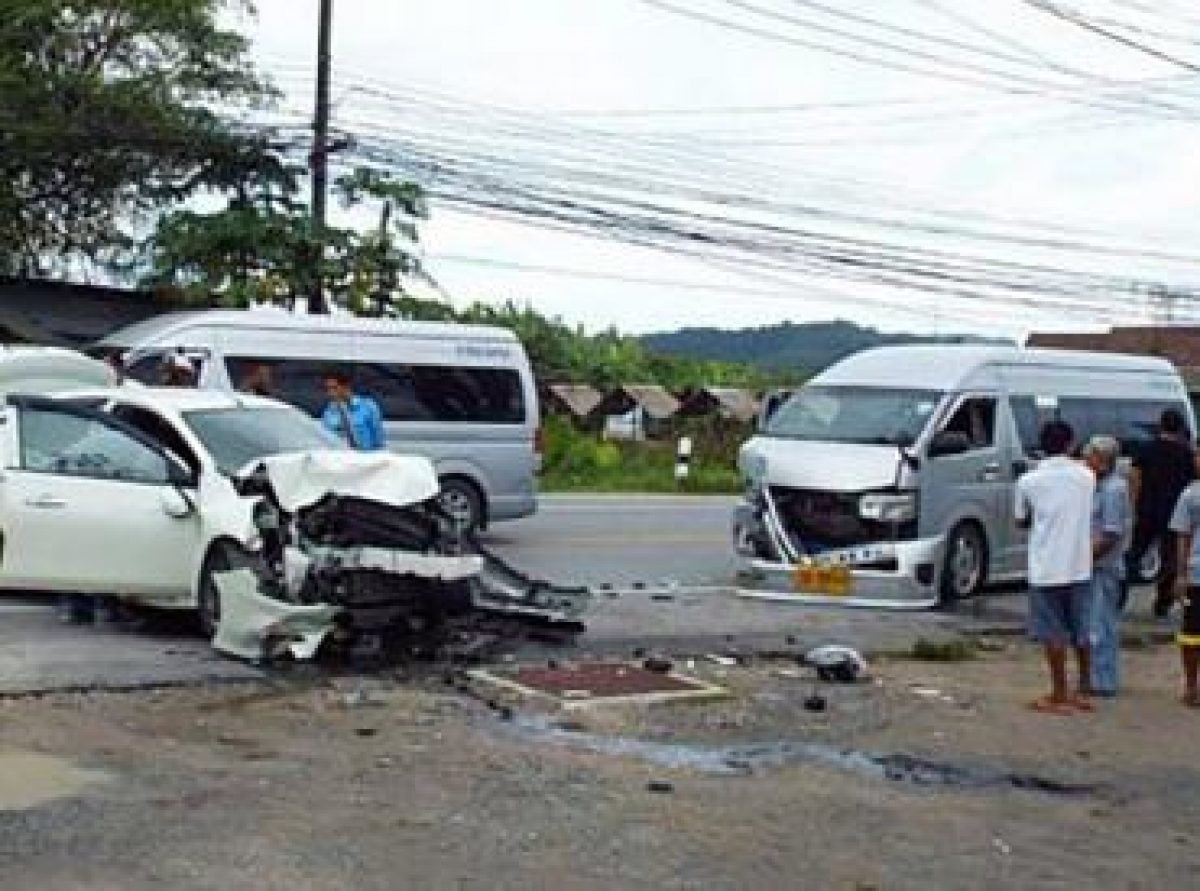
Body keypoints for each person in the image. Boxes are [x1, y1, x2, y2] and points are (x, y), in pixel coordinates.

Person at [1015, 419, 1096, 715]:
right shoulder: (1086, 476)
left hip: (1046, 565)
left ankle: (1059, 692)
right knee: (1081, 630)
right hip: (1079, 563)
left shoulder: (1028, 481)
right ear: (1070, 443)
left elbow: (1021, 519)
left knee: (1053, 633)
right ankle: (1084, 687)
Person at [1128, 408, 1195, 617]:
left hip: (1147, 509)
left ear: (1161, 425)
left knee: (1135, 552)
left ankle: (1119, 590)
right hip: (1174, 512)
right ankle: (1162, 602)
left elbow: (1135, 477)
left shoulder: (1146, 448)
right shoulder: (1186, 453)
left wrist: (1135, 504)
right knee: (1169, 560)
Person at [1084, 435, 1131, 697]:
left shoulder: (1113, 489)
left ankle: (1102, 680)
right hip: (1097, 563)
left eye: (1089, 456)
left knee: (1100, 623)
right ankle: (1094, 676)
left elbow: (1111, 533)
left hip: (1104, 566)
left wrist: (1087, 557)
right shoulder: (1097, 485)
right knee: (1094, 622)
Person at [1169, 473, 1200, 706]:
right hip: (1196, 575)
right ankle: (1191, 685)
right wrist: (1180, 574)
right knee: (1191, 634)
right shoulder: (1190, 495)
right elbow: (1183, 536)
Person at [320, 369, 386, 450]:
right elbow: (327, 439)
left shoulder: (368, 406)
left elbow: (378, 436)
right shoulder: (329, 412)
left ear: (345, 387)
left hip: (365, 455)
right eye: (328, 389)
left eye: (334, 388)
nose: (331, 392)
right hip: (341, 456)